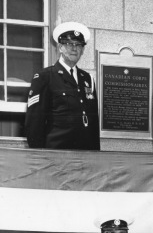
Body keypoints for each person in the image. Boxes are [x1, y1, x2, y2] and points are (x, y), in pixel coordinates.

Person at [25, 21, 100, 150]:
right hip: (57, 156)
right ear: (60, 47)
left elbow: (93, 123)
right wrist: (41, 158)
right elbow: (34, 124)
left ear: (83, 49)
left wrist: (95, 155)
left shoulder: (87, 79)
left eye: (78, 45)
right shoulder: (45, 77)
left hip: (85, 157)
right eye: (69, 44)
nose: (74, 48)